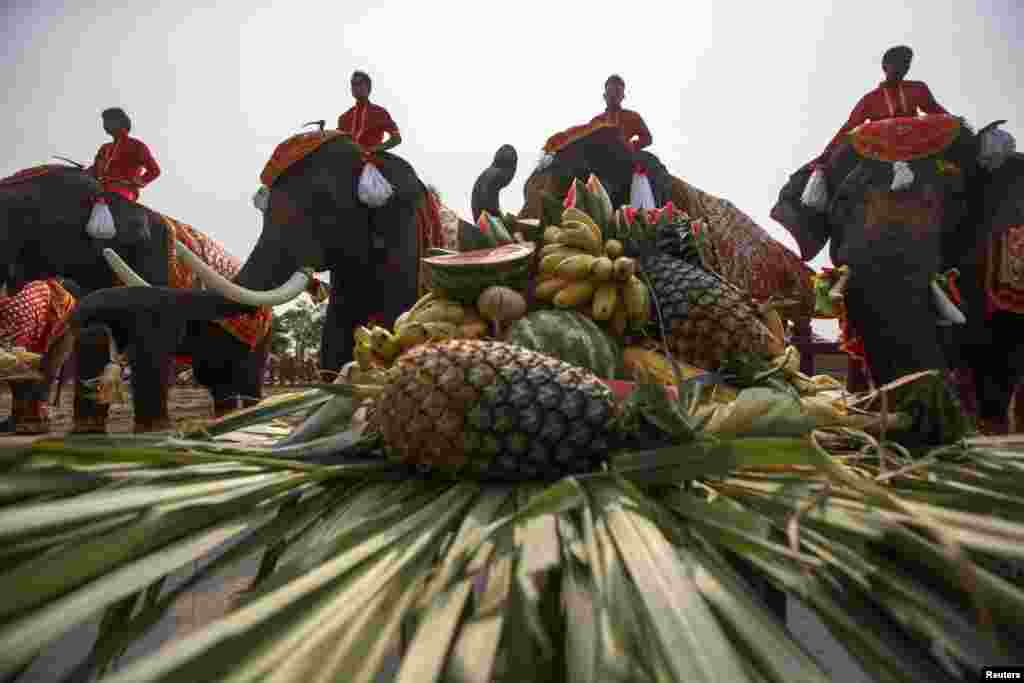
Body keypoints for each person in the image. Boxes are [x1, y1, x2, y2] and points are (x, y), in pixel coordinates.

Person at [810, 45, 949, 170]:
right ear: (885, 66)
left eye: (906, 63)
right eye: (898, 62)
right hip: (881, 149)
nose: (904, 67)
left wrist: (957, 123)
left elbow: (936, 111)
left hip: (915, 143)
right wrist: (826, 153)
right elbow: (850, 126)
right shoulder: (869, 99)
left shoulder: (918, 88)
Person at [89, 107, 162, 202]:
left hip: (123, 191)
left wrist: (139, 181)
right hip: (100, 189)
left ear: (120, 122)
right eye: (105, 121)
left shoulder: (136, 145)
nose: (105, 124)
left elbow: (155, 170)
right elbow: (94, 171)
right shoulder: (104, 148)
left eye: (109, 120)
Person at [337, 71, 402, 156]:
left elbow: (396, 139)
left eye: (360, 83)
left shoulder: (379, 112)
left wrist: (373, 149)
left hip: (371, 160)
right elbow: (338, 142)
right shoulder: (344, 117)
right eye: (353, 84)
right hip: (348, 161)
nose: (356, 87)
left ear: (368, 88)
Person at [589, 74, 652, 153]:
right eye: (610, 91)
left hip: (625, 158)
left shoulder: (633, 116)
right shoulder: (596, 121)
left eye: (617, 92)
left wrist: (631, 145)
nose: (613, 95)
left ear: (623, 96)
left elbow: (648, 138)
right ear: (604, 96)